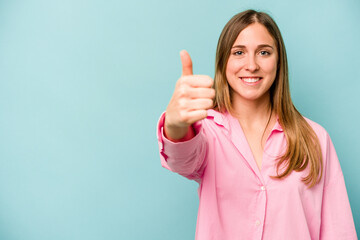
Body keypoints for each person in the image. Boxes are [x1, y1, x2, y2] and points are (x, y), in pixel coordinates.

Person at [156, 9, 357, 240]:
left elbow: (338, 230)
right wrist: (175, 124)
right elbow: (182, 157)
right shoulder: (208, 132)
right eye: (239, 52)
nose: (251, 65)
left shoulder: (315, 138)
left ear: (278, 61)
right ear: (224, 61)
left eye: (263, 52)